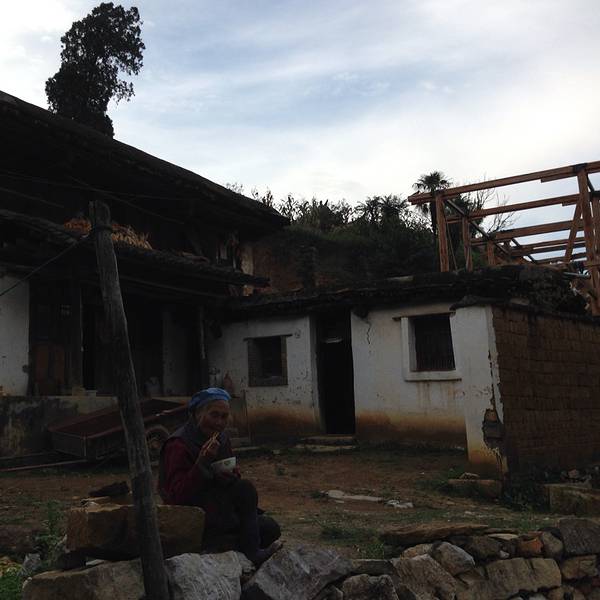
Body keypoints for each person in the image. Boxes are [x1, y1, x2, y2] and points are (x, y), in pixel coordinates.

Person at [158, 387, 281, 565]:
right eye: (213, 415)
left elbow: (224, 479)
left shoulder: (221, 439)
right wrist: (201, 463)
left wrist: (231, 475)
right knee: (245, 490)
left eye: (224, 417)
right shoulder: (179, 445)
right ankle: (248, 551)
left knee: (270, 528)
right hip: (194, 516)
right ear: (197, 414)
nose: (219, 422)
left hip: (220, 509)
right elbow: (176, 497)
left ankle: (226, 544)